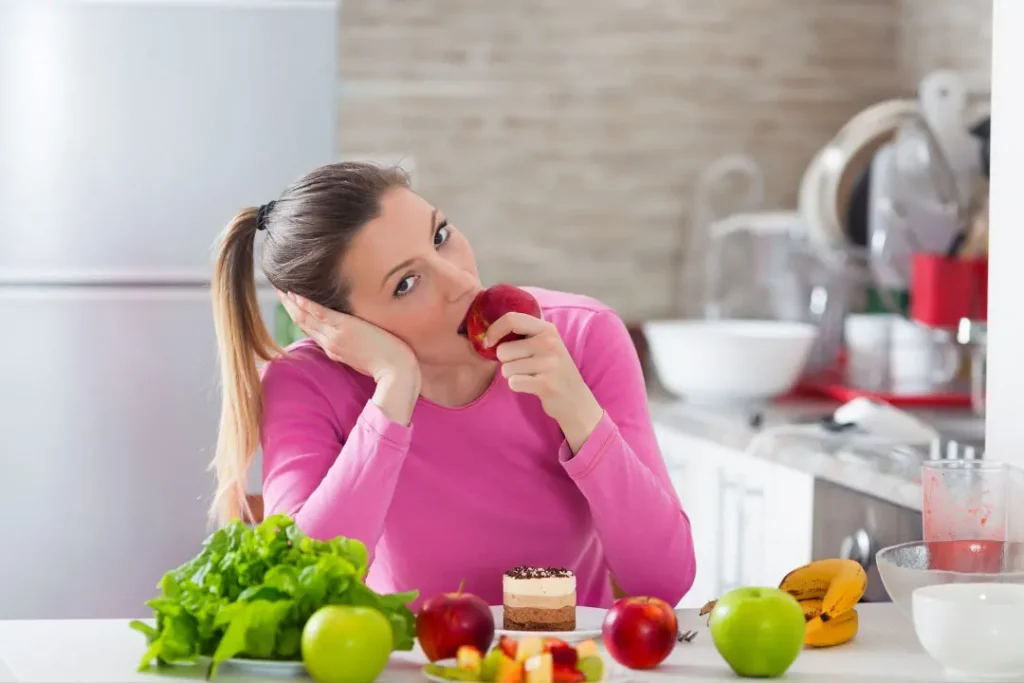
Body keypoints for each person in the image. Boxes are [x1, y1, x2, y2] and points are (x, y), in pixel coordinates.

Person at [210, 161, 696, 609]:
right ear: (337, 323)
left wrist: (578, 411)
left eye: (440, 236)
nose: (461, 281)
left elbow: (663, 582)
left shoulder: (581, 336)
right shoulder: (308, 385)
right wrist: (394, 387)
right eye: (406, 283)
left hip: (561, 664)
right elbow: (302, 590)